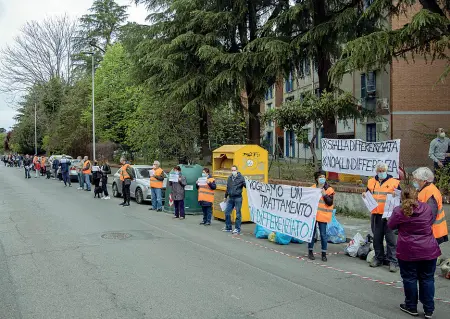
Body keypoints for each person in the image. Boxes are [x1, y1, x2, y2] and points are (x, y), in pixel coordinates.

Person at [387, 186, 441, 319]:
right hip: (428, 249)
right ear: (417, 196)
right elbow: (430, 220)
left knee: (410, 278)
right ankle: (429, 310)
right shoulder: (426, 208)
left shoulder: (399, 211)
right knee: (427, 279)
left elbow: (390, 225)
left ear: (402, 197)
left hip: (408, 250)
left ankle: (411, 306)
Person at [363, 162, 401, 272]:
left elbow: (401, 197)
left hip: (390, 216)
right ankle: (378, 258)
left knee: (391, 239)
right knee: (377, 238)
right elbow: (368, 194)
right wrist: (365, 195)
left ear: (386, 171)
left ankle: (392, 261)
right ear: (376, 171)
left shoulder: (394, 182)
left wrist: (397, 195)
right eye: (379, 171)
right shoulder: (371, 182)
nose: (381, 173)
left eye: (382, 171)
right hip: (376, 215)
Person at [412, 167, 448, 245]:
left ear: (424, 181)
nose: (414, 181)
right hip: (430, 231)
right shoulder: (424, 189)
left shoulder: (430, 192)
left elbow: (430, 216)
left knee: (428, 256)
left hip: (432, 232)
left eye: (416, 180)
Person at [308, 171, 335, 262]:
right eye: (320, 177)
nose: (322, 178)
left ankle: (324, 254)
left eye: (323, 177)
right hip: (313, 215)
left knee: (323, 235)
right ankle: (310, 251)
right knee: (312, 233)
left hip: (323, 216)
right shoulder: (312, 188)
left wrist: (324, 194)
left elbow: (330, 202)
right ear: (316, 179)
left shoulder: (329, 189)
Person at [223, 165, 246, 234]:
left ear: (237, 170)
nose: (233, 171)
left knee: (238, 214)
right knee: (227, 212)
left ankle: (237, 228)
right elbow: (228, 188)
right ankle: (228, 227)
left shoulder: (241, 178)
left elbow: (246, 186)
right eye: (232, 170)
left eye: (234, 170)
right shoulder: (230, 178)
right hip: (231, 197)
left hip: (238, 198)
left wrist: (248, 183)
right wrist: (225, 196)